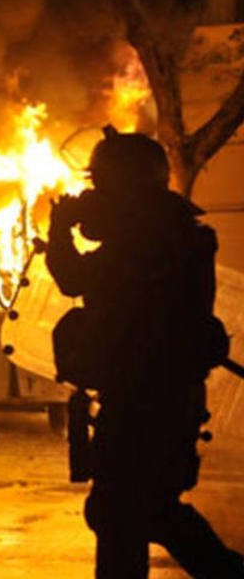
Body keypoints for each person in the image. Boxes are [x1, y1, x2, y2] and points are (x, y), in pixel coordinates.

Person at [46, 128, 244, 578]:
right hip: (162, 398)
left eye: (100, 184)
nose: (92, 194)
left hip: (144, 401)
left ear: (125, 185)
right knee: (148, 509)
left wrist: (61, 230)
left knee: (120, 513)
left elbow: (74, 278)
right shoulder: (168, 230)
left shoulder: (147, 240)